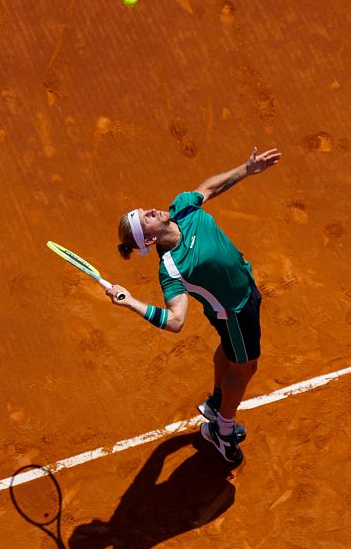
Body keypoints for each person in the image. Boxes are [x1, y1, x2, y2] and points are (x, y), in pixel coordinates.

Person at [106, 146, 282, 465]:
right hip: (234, 313)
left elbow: (209, 187)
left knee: (231, 354)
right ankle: (222, 431)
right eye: (145, 218)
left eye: (145, 209)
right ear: (148, 241)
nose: (152, 211)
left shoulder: (183, 207)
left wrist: (247, 168)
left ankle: (217, 403)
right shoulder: (171, 267)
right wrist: (131, 302)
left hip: (247, 288)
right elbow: (175, 321)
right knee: (245, 367)